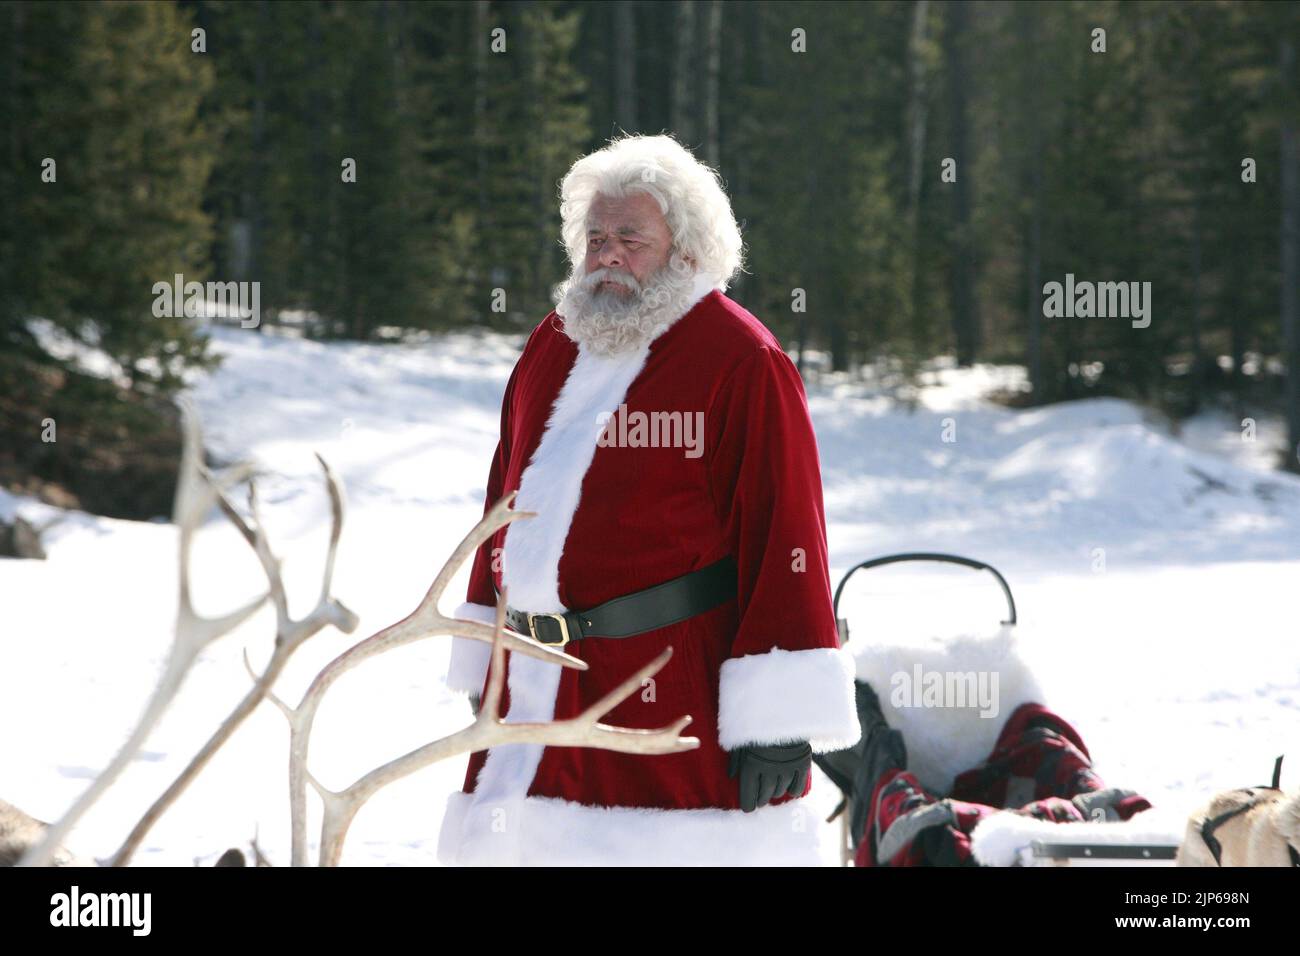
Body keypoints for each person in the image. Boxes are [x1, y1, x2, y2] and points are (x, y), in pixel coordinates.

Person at [435, 134, 861, 866]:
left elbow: (785, 532)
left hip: (665, 690)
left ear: (686, 247)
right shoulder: (554, 342)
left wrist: (779, 718)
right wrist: (485, 656)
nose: (608, 254)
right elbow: (502, 502)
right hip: (534, 689)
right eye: (596, 236)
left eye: (631, 237)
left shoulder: (740, 358)